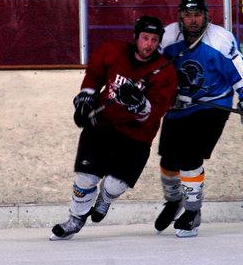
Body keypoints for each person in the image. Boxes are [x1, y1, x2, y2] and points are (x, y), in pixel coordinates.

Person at [50, 15, 177, 240]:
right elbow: (93, 76)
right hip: (102, 126)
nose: (149, 44)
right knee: (85, 178)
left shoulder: (165, 71)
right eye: (145, 38)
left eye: (154, 40)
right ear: (136, 37)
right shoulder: (113, 51)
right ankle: (75, 219)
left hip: (136, 136)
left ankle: (105, 198)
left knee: (114, 185)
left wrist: (140, 104)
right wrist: (85, 101)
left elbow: (157, 111)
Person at [154, 0, 243, 238]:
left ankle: (192, 212)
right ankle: (174, 201)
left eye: (197, 15)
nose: (193, 20)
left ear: (206, 16)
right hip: (178, 107)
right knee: (168, 163)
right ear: (180, 16)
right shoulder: (168, 37)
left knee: (190, 158)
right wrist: (163, 93)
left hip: (213, 106)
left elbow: (242, 72)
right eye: (188, 15)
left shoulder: (221, 40)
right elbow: (152, 70)